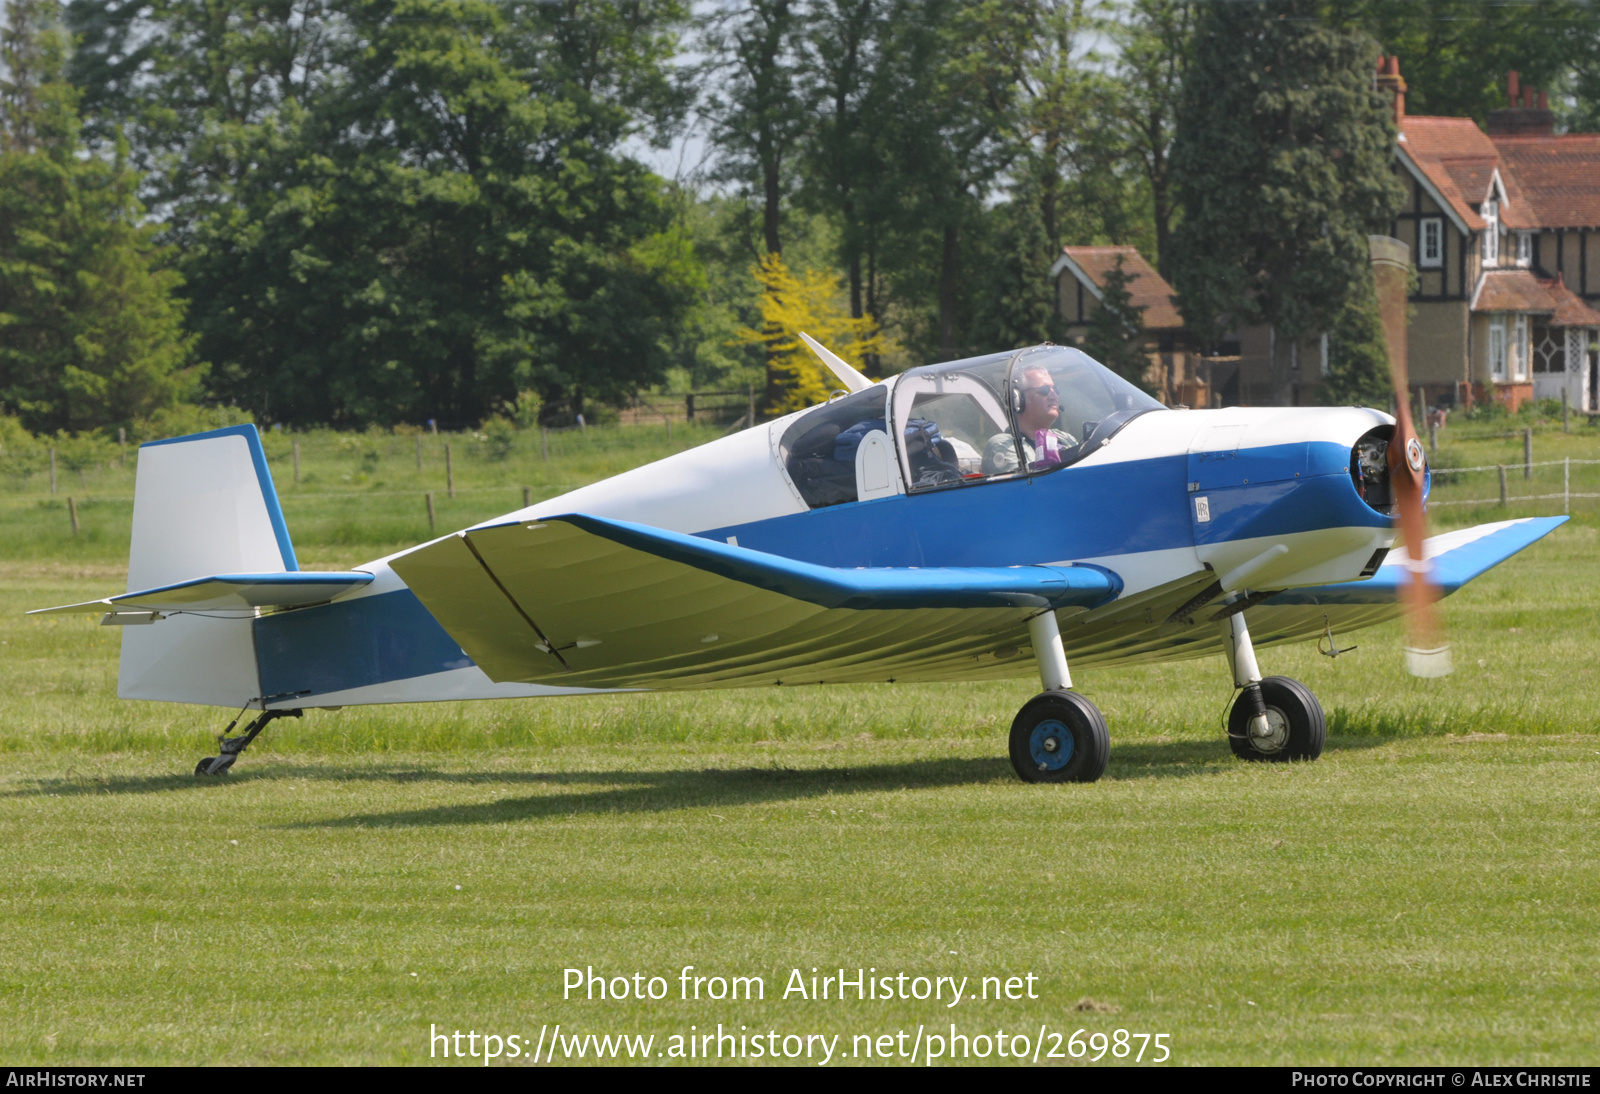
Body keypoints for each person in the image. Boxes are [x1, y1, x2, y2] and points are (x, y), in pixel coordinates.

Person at [982, 365, 1077, 474]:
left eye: (1055, 389)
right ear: (1018, 399)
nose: (1054, 396)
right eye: (1045, 390)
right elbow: (1030, 487)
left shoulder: (1066, 439)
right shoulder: (1003, 445)